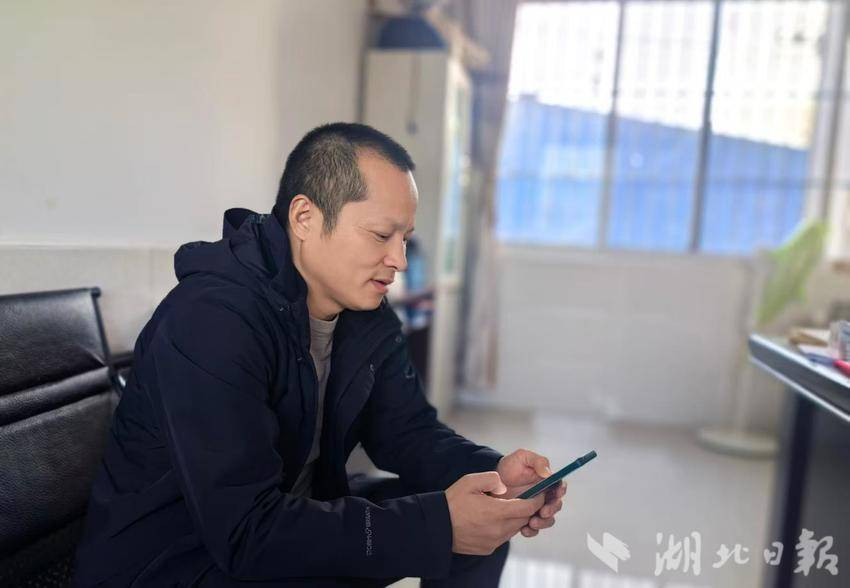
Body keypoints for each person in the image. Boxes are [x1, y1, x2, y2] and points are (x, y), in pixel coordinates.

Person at [72, 123, 566, 587]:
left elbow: (408, 431)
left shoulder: (363, 311)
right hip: (182, 560)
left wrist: (494, 472)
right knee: (441, 530)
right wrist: (437, 525)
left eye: (405, 239)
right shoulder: (212, 319)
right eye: (381, 235)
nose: (398, 260)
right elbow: (245, 531)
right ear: (305, 217)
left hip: (284, 518)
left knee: (482, 527)